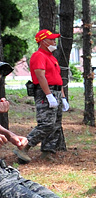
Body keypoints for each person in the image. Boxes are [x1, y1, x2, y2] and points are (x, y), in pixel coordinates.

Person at [20, 29, 67, 160]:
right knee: (47, 124)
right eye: (51, 39)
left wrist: (62, 97)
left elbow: (58, 77)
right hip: (45, 91)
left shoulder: (51, 57)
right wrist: (48, 95)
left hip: (56, 91)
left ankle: (47, 152)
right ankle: (24, 146)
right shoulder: (38, 55)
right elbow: (40, 76)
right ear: (43, 41)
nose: (54, 41)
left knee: (56, 124)